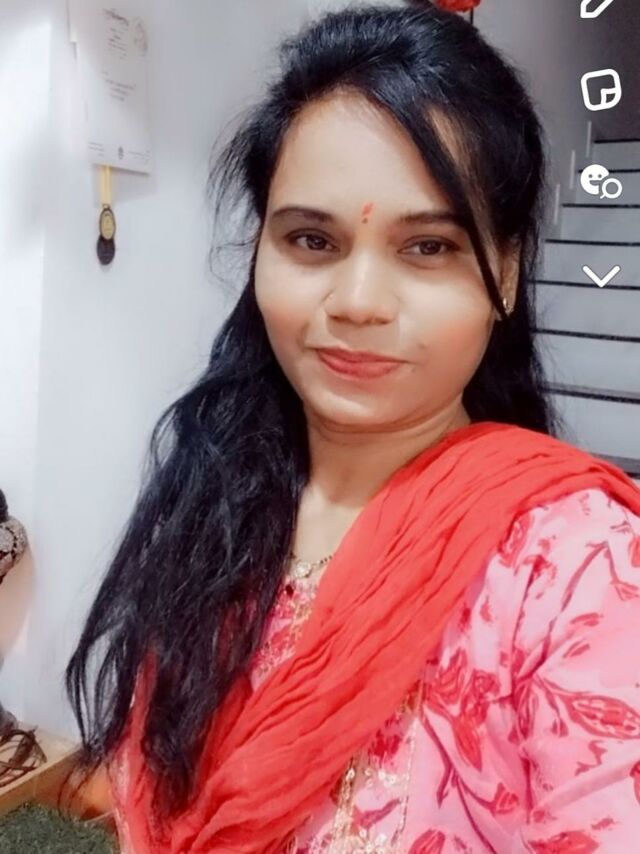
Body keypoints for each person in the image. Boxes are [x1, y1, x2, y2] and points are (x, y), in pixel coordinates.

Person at [64, 3, 640, 852]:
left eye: (429, 247)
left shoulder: (579, 568)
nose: (359, 303)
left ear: (506, 271)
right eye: (311, 240)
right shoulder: (216, 500)